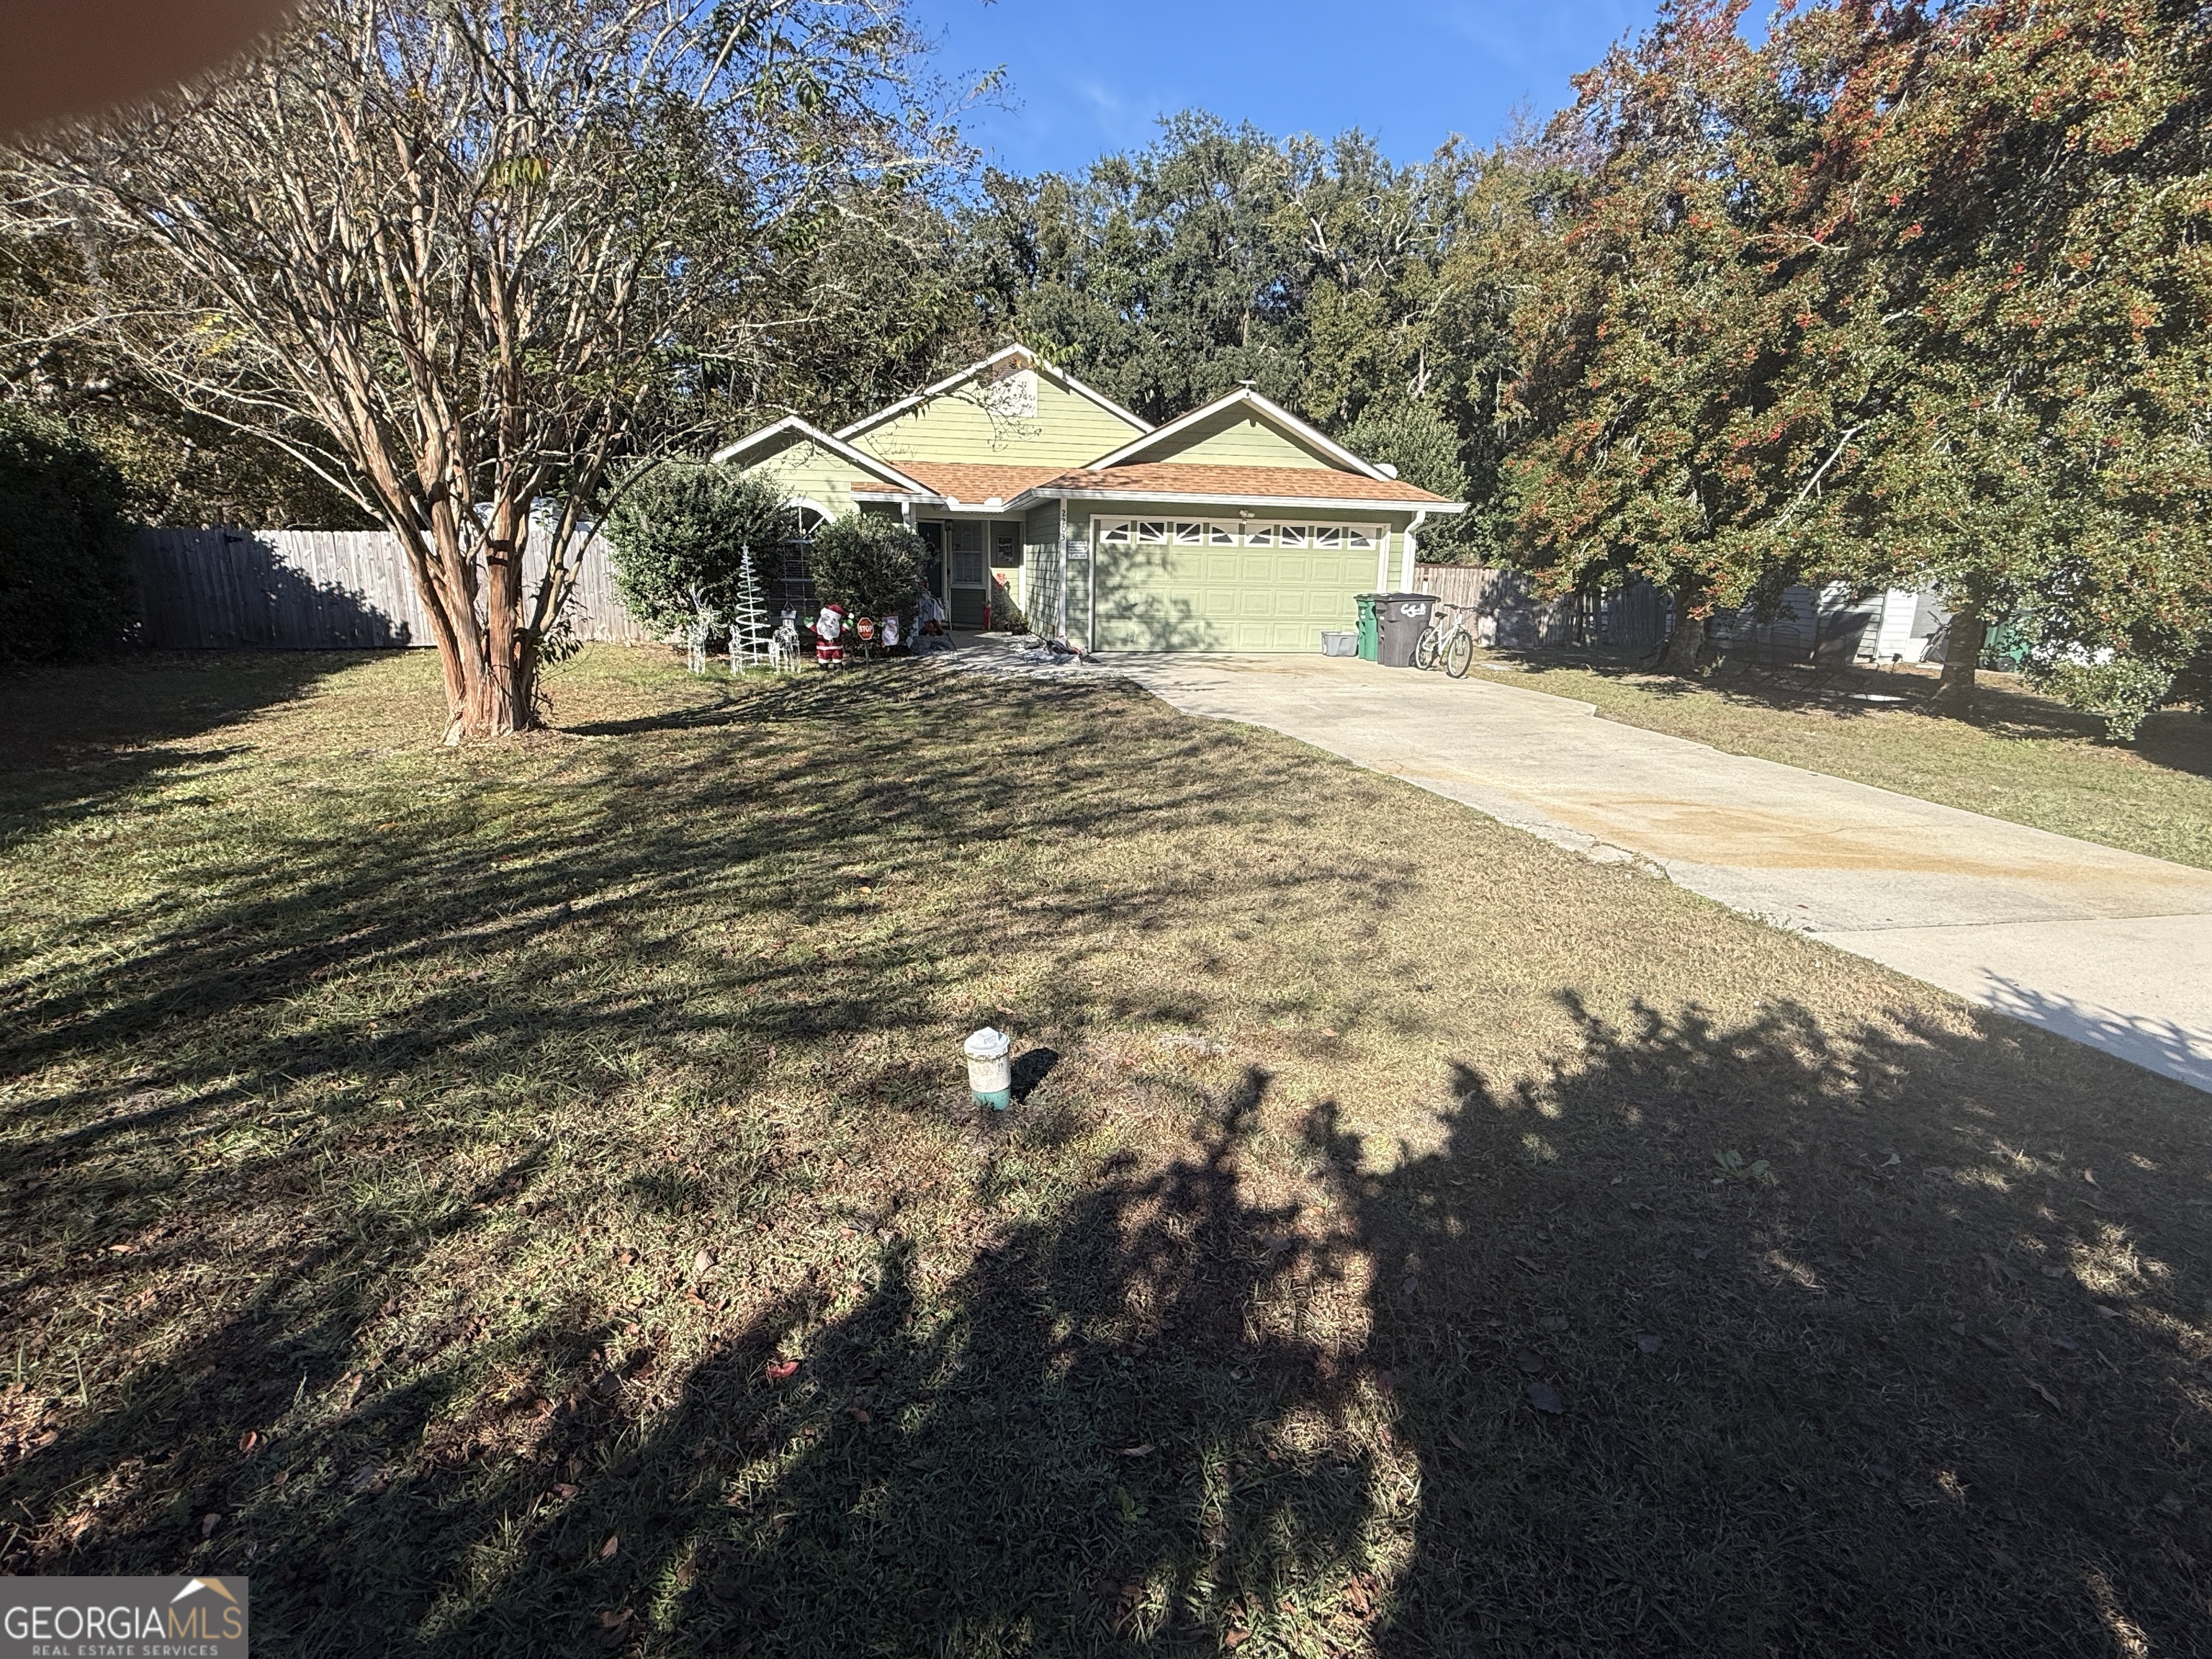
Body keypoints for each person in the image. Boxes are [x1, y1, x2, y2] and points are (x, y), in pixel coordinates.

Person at [814, 601, 845, 667]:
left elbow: (842, 630)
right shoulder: (821, 628)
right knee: (823, 659)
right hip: (823, 648)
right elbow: (815, 629)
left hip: (836, 647)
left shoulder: (836, 630)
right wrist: (810, 624)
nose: (830, 622)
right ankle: (824, 665)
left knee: (837, 658)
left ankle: (837, 665)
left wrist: (846, 626)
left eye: (833, 619)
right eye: (827, 617)